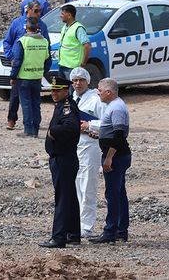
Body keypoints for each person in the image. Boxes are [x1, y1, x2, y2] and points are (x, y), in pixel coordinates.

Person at [38, 76, 81, 248]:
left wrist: (53, 131)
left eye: (57, 90)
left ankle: (59, 237)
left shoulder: (67, 107)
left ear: (65, 90)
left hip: (64, 158)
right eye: (52, 90)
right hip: (62, 157)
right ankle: (73, 233)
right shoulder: (61, 105)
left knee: (62, 198)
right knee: (69, 196)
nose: (53, 93)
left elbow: (71, 127)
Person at [90, 78, 131, 244]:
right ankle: (120, 231)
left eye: (100, 90)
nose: (98, 93)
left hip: (116, 157)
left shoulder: (117, 108)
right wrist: (100, 135)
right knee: (119, 193)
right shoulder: (115, 106)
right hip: (117, 155)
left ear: (108, 92)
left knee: (113, 194)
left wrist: (109, 157)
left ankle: (110, 232)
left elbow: (119, 135)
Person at [3, 0, 51, 130]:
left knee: (33, 100)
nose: (39, 13)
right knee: (15, 96)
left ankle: (31, 125)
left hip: (34, 70)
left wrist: (44, 68)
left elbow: (47, 46)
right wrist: (12, 58)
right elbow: (7, 42)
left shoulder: (42, 26)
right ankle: (11, 120)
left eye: (40, 11)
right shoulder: (17, 23)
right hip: (19, 67)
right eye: (36, 11)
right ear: (28, 10)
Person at [69, 67, 105, 238]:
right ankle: (76, 223)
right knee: (76, 185)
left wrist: (90, 126)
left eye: (81, 80)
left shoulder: (96, 99)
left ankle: (87, 225)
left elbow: (107, 122)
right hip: (74, 147)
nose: (78, 83)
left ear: (88, 81)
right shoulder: (72, 99)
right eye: (75, 80)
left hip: (90, 146)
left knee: (88, 186)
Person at [10, 17, 52, 137]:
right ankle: (35, 130)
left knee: (26, 104)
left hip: (24, 78)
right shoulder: (44, 41)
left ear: (26, 27)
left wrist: (13, 76)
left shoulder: (23, 41)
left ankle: (28, 130)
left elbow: (17, 61)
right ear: (38, 28)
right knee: (36, 104)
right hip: (37, 78)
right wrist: (42, 72)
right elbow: (48, 61)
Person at [57, 4, 91, 82]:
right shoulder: (65, 27)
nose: (60, 16)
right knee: (63, 88)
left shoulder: (78, 28)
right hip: (63, 64)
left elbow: (87, 46)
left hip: (73, 66)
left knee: (73, 88)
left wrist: (83, 63)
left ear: (69, 15)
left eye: (62, 14)